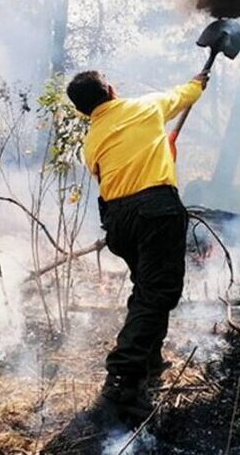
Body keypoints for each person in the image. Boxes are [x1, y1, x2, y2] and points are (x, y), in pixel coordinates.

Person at [66, 69, 207, 426]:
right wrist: (198, 81)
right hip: (156, 211)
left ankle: (149, 360)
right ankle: (122, 382)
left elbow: (117, 171)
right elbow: (184, 95)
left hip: (119, 221)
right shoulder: (146, 107)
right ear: (112, 89)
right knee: (157, 293)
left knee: (146, 289)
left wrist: (163, 150)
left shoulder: (91, 141)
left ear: (84, 111)